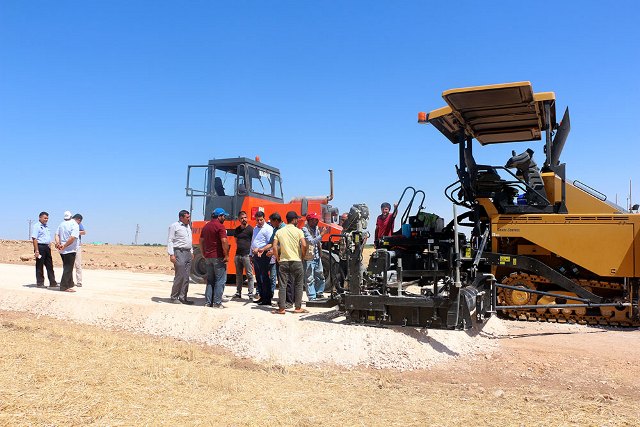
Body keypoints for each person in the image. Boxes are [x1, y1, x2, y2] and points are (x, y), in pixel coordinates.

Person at [272, 211, 308, 314]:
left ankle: (282, 309)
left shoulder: (279, 231)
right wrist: (302, 257)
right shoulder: (299, 231)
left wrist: (277, 258)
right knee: (298, 285)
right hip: (296, 261)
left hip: (283, 261)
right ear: (295, 220)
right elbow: (304, 245)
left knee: (282, 285)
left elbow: (274, 246)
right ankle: (297, 308)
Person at [261, 212, 293, 307]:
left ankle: (289, 301)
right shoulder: (276, 229)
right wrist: (263, 249)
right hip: (279, 258)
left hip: (286, 257)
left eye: (271, 221)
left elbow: (284, 244)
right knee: (282, 280)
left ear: (276, 221)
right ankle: (282, 301)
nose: (270, 223)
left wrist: (273, 251)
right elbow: (272, 243)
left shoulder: (284, 229)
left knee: (287, 280)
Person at [201, 208, 230, 308]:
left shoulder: (206, 227)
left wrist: (203, 253)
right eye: (224, 216)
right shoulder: (220, 226)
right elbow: (224, 241)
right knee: (220, 280)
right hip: (218, 257)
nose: (225, 218)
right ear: (219, 216)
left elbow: (201, 241)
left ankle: (208, 302)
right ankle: (217, 303)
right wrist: (226, 255)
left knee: (210, 280)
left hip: (208, 257)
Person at [167, 210, 194, 304]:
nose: (189, 219)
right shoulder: (174, 226)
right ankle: (174, 297)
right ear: (181, 218)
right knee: (180, 275)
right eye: (187, 217)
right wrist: (171, 254)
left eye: (189, 217)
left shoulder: (188, 227)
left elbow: (189, 240)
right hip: (179, 252)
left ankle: (183, 297)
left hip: (187, 253)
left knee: (186, 277)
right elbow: (170, 240)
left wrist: (191, 251)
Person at [302, 212, 328, 301]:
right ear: (309, 221)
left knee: (320, 275)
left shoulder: (316, 228)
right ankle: (312, 297)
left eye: (317, 220)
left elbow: (317, 243)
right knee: (309, 278)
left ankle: (319, 293)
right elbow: (311, 241)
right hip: (309, 257)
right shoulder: (305, 230)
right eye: (314, 220)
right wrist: (322, 234)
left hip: (317, 256)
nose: (316, 221)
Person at [250, 211, 273, 306]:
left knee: (264, 277)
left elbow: (270, 243)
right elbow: (253, 241)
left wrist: (261, 250)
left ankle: (267, 298)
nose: (259, 222)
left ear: (264, 218)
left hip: (263, 255)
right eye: (258, 220)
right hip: (256, 255)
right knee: (258, 277)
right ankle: (262, 297)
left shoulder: (268, 229)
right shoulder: (255, 229)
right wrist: (251, 254)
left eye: (261, 220)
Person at [55, 210, 80, 292]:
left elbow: (56, 234)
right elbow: (72, 238)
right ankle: (64, 286)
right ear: (71, 216)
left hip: (62, 251)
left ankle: (70, 284)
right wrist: (64, 246)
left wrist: (58, 243)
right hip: (70, 250)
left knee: (67, 267)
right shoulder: (74, 224)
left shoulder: (61, 224)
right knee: (68, 268)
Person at [31, 211, 57, 288]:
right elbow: (34, 238)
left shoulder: (46, 227)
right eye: (45, 218)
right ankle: (40, 283)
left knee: (50, 265)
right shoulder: (37, 226)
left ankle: (53, 282)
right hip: (40, 247)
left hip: (47, 247)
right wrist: (36, 250)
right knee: (40, 265)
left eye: (47, 218)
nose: (46, 219)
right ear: (40, 218)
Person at [232, 210, 254, 299]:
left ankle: (250, 293)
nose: (244, 219)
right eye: (241, 218)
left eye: (245, 217)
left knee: (249, 275)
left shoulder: (251, 229)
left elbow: (253, 242)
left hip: (247, 255)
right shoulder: (237, 230)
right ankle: (238, 292)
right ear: (239, 219)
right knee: (238, 275)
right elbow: (236, 241)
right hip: (238, 255)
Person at [72, 214, 86, 287]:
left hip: (77, 247)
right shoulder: (69, 224)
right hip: (70, 247)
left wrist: (76, 232)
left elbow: (84, 232)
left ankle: (79, 281)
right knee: (69, 265)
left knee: (78, 265)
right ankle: (69, 280)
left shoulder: (79, 225)